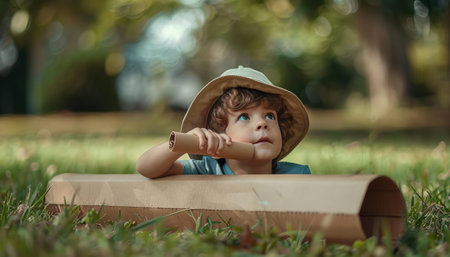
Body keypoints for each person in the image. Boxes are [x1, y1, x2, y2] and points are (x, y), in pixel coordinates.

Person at [136, 66, 310, 178]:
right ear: (219, 134)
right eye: (244, 117)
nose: (262, 123)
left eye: (270, 116)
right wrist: (187, 142)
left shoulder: (295, 176)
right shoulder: (208, 171)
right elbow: (145, 167)